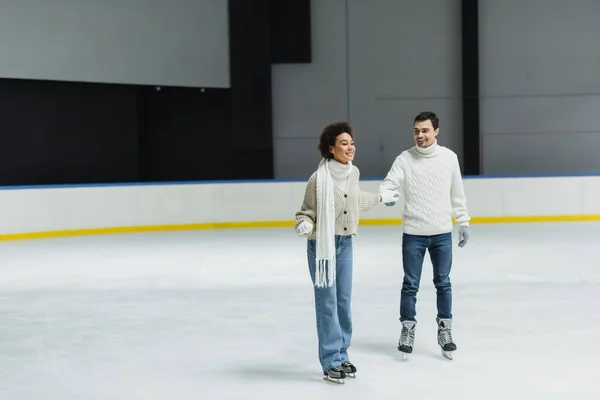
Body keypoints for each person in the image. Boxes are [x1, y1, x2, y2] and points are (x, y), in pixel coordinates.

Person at [294, 121, 400, 383]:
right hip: (322, 247)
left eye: (352, 142)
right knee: (327, 303)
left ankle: (342, 354)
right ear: (331, 149)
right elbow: (305, 213)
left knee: (343, 302)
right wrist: (304, 225)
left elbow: (353, 200)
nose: (350, 147)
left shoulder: (353, 174)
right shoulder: (317, 179)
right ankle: (330, 360)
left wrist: (378, 198)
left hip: (345, 245)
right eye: (344, 143)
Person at [378, 111, 470, 360]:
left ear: (436, 131)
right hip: (414, 234)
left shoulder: (449, 158)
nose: (420, 135)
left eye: (425, 130)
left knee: (443, 282)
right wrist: (386, 194)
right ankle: (407, 330)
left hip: (441, 232)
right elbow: (389, 182)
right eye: (416, 131)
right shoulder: (405, 159)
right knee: (410, 284)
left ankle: (445, 331)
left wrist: (462, 221)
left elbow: (457, 193)